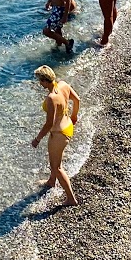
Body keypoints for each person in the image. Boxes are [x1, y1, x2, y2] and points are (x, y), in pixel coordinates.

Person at [31, 65, 80, 206]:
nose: (40, 83)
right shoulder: (63, 85)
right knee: (54, 159)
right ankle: (51, 181)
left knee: (56, 166)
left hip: (59, 134)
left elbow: (48, 124)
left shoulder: (51, 98)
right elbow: (77, 100)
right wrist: (74, 116)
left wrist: (37, 139)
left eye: (40, 81)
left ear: (45, 80)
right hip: (67, 126)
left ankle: (71, 198)